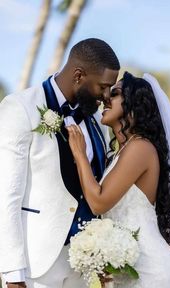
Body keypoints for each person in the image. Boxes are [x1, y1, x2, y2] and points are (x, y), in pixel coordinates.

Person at [67, 72, 170, 288]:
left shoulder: (140, 148)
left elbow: (98, 202)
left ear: (134, 104)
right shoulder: (120, 153)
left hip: (150, 272)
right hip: (128, 271)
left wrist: (80, 154)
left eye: (115, 93)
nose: (105, 99)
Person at [0, 38, 120, 288]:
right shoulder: (21, 108)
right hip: (37, 264)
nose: (106, 96)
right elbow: (6, 196)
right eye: (103, 86)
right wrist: (13, 274)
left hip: (84, 264)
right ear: (78, 75)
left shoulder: (97, 118)